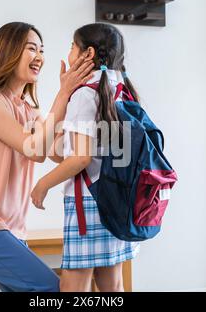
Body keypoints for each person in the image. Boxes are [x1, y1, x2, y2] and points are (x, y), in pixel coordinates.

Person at [0, 22, 94, 292]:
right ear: (8, 51)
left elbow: (56, 152)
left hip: (9, 229)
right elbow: (33, 149)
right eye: (32, 48)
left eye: (42, 51)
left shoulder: (29, 111)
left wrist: (80, 103)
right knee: (51, 291)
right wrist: (63, 93)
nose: (40, 57)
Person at [31, 23, 140, 292]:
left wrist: (42, 184)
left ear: (87, 53)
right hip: (119, 199)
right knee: (111, 285)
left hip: (88, 204)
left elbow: (80, 159)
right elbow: (65, 154)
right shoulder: (121, 87)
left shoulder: (85, 93)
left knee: (73, 288)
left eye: (72, 46)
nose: (69, 51)